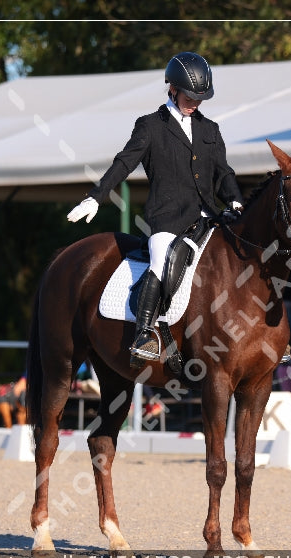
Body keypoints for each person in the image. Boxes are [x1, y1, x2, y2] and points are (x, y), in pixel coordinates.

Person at [66, 51, 244, 365]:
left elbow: (223, 172)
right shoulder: (150, 126)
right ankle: (145, 332)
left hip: (207, 218)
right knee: (162, 263)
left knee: (237, 260)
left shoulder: (210, 130)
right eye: (190, 96)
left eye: (200, 98)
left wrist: (234, 199)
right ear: (172, 89)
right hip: (168, 219)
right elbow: (124, 163)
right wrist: (96, 196)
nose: (195, 103)